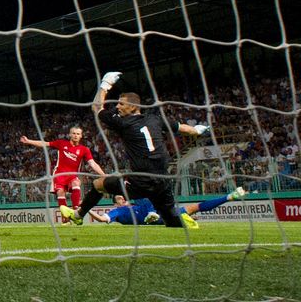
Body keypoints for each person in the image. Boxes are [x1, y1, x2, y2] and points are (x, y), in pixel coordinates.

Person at [60, 72, 211, 228]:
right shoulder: (155, 119)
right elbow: (182, 128)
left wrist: (105, 85)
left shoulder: (123, 123)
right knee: (171, 221)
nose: (117, 106)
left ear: (133, 107)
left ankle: (78, 216)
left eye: (121, 104)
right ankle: (183, 221)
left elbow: (96, 107)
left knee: (98, 184)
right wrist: (197, 130)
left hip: (141, 180)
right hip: (162, 181)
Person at [20, 127, 106, 223]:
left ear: (81, 136)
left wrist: (104, 175)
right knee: (60, 192)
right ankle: (65, 220)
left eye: (78, 134)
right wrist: (28, 141)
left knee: (76, 183)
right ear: (70, 134)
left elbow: (92, 163)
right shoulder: (61, 143)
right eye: (73, 133)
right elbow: (45, 143)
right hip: (59, 174)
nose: (75, 135)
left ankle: (76, 213)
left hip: (73, 176)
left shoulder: (84, 149)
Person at [88, 187, 247, 226]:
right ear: (116, 203)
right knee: (151, 193)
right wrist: (87, 209)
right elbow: (103, 219)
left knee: (196, 206)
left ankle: (228, 197)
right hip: (153, 218)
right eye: (119, 198)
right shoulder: (117, 211)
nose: (121, 198)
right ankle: (154, 214)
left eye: (122, 197)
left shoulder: (136, 203)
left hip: (161, 213)